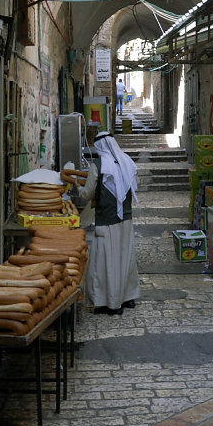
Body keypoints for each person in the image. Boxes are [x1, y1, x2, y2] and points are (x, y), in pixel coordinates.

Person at [61, 132, 139, 315]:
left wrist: (76, 184)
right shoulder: (127, 161)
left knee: (106, 262)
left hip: (106, 221)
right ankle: (128, 298)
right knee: (125, 258)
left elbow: (87, 194)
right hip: (126, 220)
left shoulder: (99, 165)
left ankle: (111, 304)